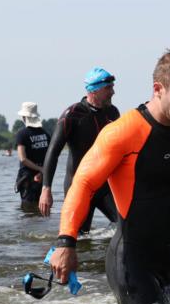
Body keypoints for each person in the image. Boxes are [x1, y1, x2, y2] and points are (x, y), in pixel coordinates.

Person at [50, 49, 170, 304]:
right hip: (132, 262)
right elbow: (83, 183)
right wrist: (66, 243)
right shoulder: (124, 132)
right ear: (159, 89)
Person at [39, 67, 120, 233]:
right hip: (79, 186)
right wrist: (46, 189)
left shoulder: (113, 112)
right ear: (94, 90)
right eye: (108, 88)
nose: (113, 92)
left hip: (104, 185)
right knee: (79, 237)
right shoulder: (72, 114)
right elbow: (53, 152)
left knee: (127, 225)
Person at [13, 102, 51, 208]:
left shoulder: (22, 134)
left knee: (27, 209)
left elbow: (23, 159)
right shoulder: (45, 134)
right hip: (43, 178)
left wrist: (40, 170)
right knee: (42, 207)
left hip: (27, 179)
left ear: (24, 117)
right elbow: (50, 158)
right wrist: (42, 172)